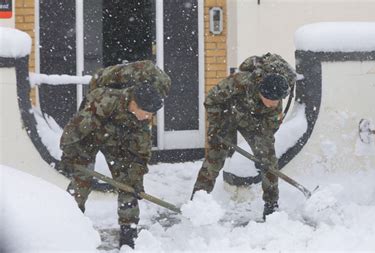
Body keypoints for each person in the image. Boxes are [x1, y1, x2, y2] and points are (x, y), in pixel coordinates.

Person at [59, 60, 171, 248]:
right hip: (92, 132)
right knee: (81, 179)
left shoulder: (142, 121)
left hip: (119, 137)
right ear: (134, 103)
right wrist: (68, 156)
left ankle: (129, 235)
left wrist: (137, 181)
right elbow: (74, 131)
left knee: (128, 182)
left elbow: (141, 153)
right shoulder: (103, 100)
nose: (149, 117)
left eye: (152, 114)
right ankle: (68, 224)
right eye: (147, 113)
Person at [190, 53, 296, 220]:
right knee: (215, 158)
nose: (273, 104)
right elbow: (211, 100)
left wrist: (262, 146)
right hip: (228, 114)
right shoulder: (240, 82)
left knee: (269, 161)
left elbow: (271, 128)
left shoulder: (276, 97)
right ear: (261, 91)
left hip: (255, 122)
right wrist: (216, 127)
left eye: (277, 101)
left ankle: (271, 205)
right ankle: (197, 201)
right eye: (270, 100)